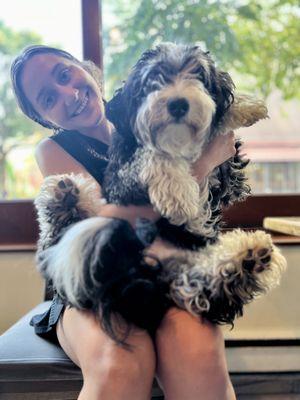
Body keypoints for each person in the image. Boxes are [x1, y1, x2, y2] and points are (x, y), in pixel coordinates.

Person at [11, 45, 237, 400]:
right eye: (49, 98)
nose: (69, 94)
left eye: (64, 75)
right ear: (46, 119)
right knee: (120, 359)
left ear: (85, 68)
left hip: (167, 273)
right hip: (92, 283)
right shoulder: (53, 150)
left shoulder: (145, 108)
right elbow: (105, 220)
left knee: (198, 350)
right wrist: (201, 166)